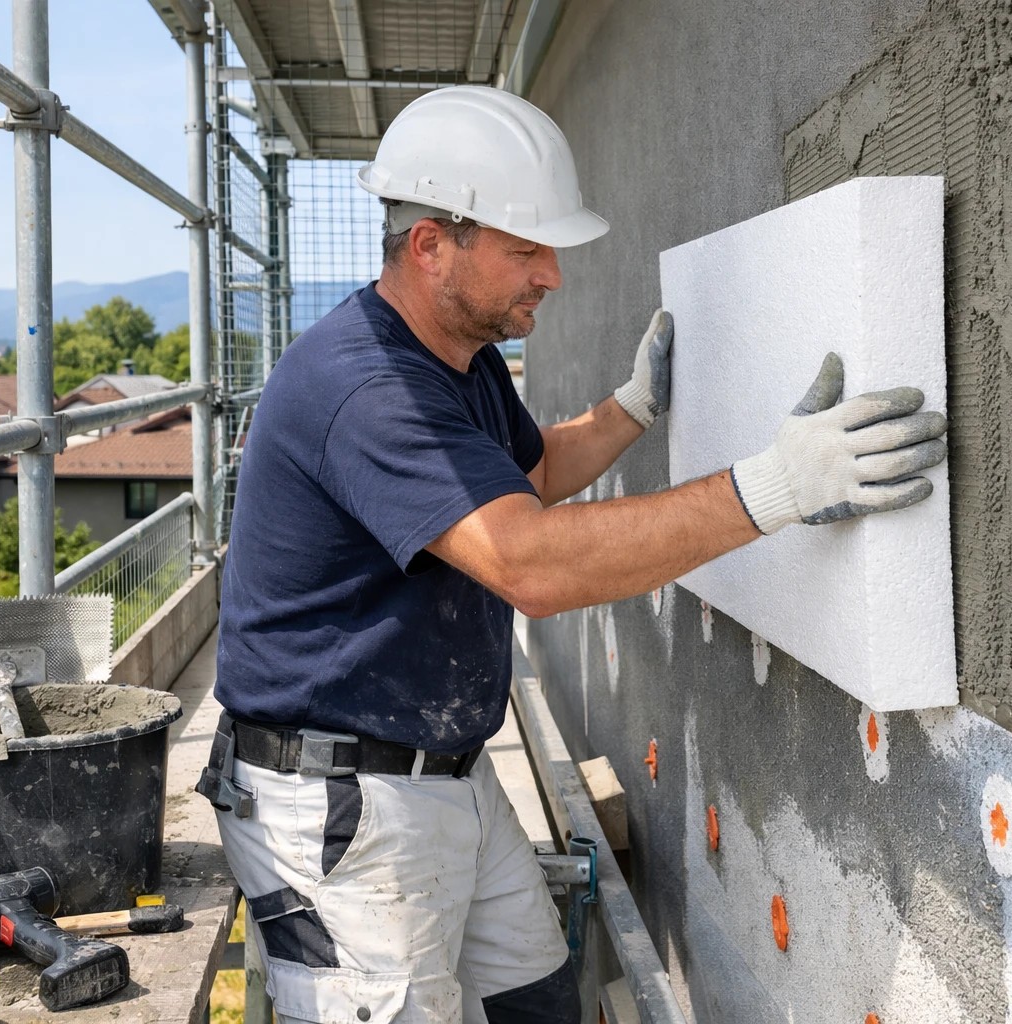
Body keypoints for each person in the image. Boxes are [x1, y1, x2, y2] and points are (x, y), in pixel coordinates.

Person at [201, 86, 947, 1024]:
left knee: (539, 999)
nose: (552, 274)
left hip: (443, 775)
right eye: (526, 249)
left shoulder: (454, 360)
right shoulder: (368, 388)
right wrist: (776, 488)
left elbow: (533, 472)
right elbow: (532, 565)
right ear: (432, 244)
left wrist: (630, 408)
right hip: (344, 812)